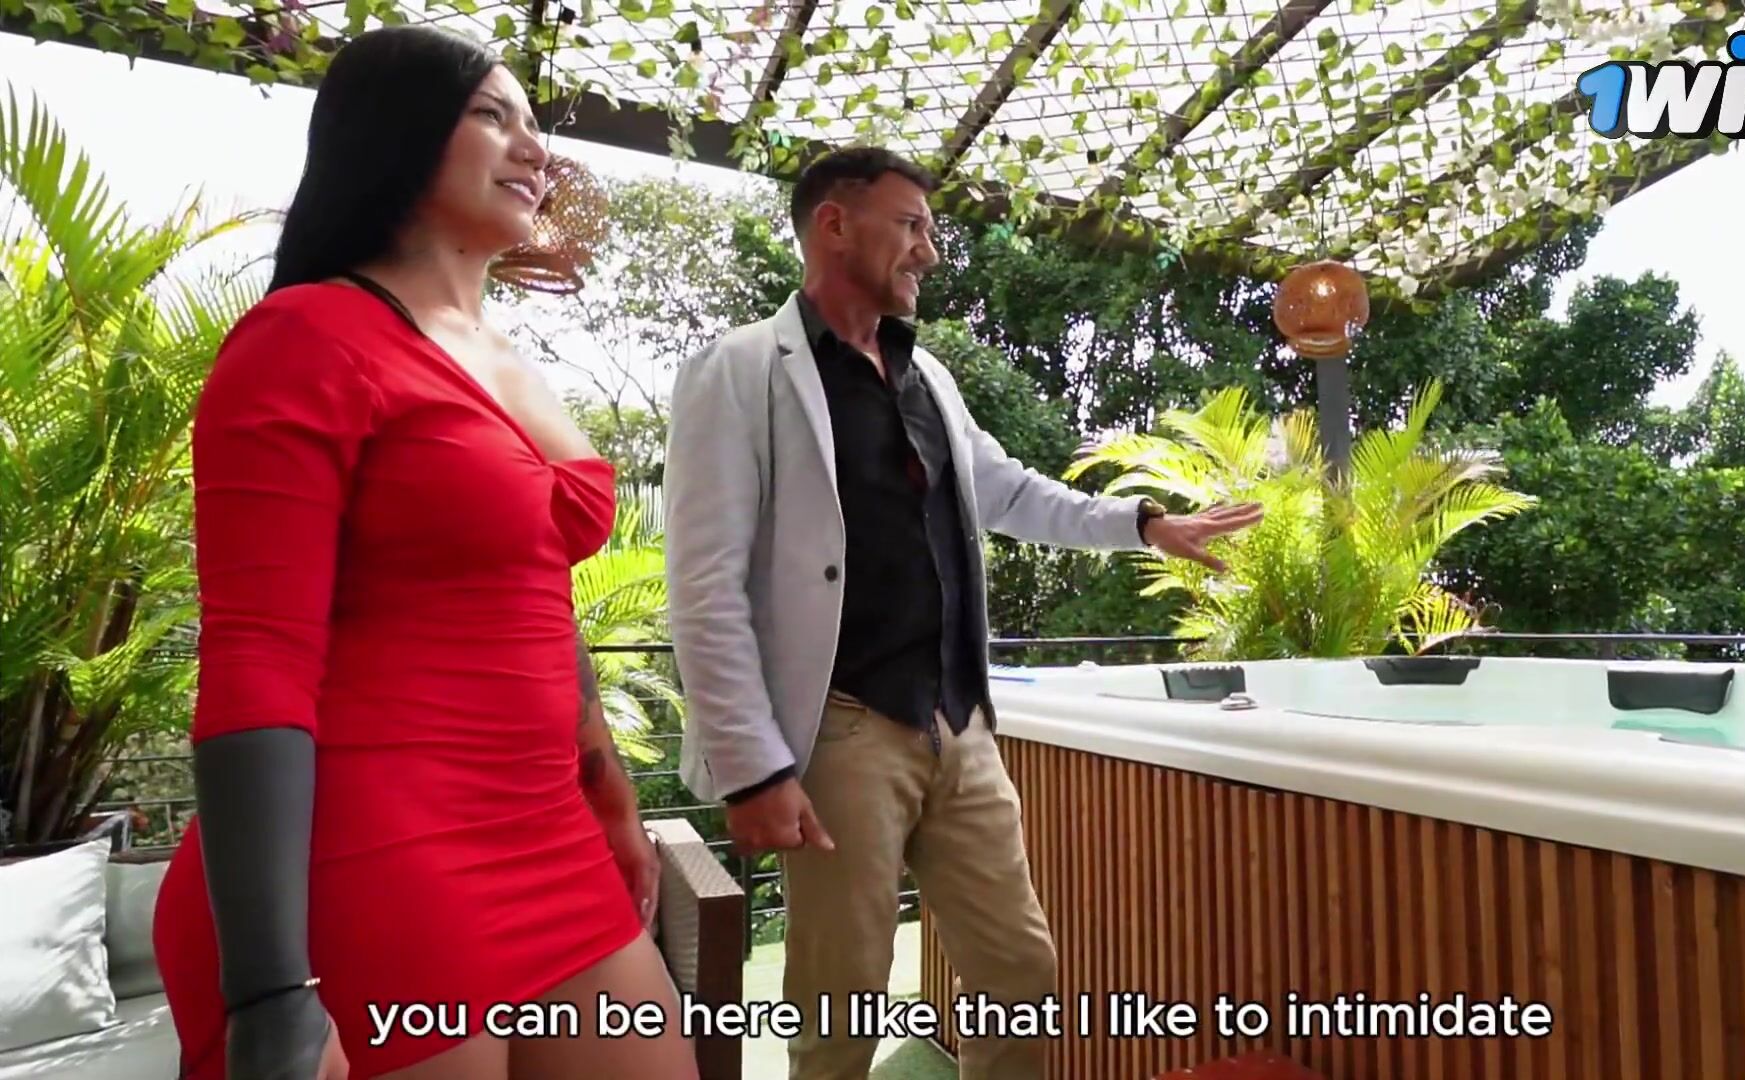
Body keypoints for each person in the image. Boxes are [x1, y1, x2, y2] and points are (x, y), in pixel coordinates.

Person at [150, 25, 698, 1080]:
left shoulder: (506, 356)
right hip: (383, 841)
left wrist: (610, 792)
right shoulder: (306, 337)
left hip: (549, 827)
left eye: (535, 124)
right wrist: (268, 989)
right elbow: (257, 652)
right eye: (492, 116)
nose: (534, 148)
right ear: (393, 137)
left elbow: (534, 593)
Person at [662, 145, 1263, 1078]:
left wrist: (1143, 524)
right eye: (911, 225)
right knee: (840, 1007)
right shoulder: (740, 370)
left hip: (958, 722)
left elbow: (1009, 491)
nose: (929, 252)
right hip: (842, 730)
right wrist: (753, 770)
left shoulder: (926, 375)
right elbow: (705, 584)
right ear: (834, 224)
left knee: (1019, 973)